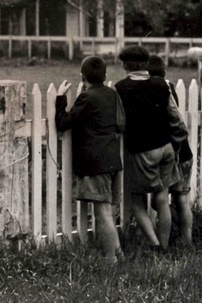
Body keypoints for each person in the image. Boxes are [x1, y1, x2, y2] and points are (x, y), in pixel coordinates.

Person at [113, 45, 188, 252]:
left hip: (142, 151)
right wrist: (176, 144)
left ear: (126, 65)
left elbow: (119, 123)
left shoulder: (121, 87)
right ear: (146, 64)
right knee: (162, 198)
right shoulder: (162, 85)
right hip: (166, 148)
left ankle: (155, 245)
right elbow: (177, 121)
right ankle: (164, 246)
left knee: (137, 201)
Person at [54, 55, 126, 265]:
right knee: (108, 211)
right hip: (113, 160)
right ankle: (118, 253)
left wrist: (60, 98)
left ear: (82, 76)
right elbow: (121, 125)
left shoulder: (86, 97)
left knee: (102, 212)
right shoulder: (112, 95)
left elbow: (63, 122)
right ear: (105, 76)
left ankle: (110, 259)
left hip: (96, 163)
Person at [148, 54, 194, 247]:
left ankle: (166, 240)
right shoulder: (169, 88)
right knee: (182, 199)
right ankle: (186, 239)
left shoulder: (154, 90)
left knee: (158, 199)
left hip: (171, 152)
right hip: (185, 152)